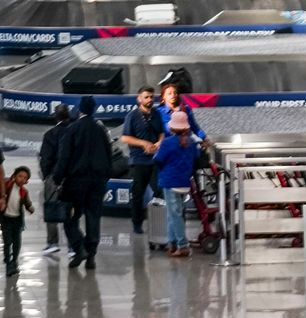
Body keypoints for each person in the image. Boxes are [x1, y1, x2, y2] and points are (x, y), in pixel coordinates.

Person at [49, 96, 112, 269]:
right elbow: (109, 154)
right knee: (93, 217)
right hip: (97, 182)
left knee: (69, 218)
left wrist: (57, 178)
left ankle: (79, 248)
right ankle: (91, 255)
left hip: (75, 182)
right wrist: (105, 176)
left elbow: (64, 156)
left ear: (80, 109)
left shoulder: (72, 129)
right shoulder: (101, 130)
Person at [120, 87, 167, 248]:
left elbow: (161, 132)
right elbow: (125, 137)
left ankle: (158, 223)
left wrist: (159, 143)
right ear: (139, 99)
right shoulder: (132, 116)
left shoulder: (156, 115)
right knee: (138, 193)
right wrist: (143, 144)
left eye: (151, 97)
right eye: (146, 97)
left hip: (154, 160)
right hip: (138, 161)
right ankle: (137, 223)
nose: (149, 100)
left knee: (159, 191)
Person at [151, 111, 199, 259]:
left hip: (170, 182)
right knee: (174, 214)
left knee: (175, 215)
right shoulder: (191, 142)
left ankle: (182, 245)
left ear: (172, 128)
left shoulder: (167, 143)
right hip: (184, 181)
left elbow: (157, 159)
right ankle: (172, 243)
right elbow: (196, 159)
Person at [36, 104, 68, 253]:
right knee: (71, 209)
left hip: (53, 176)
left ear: (55, 117)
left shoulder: (50, 134)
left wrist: (46, 175)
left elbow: (45, 158)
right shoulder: (74, 132)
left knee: (51, 207)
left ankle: (52, 242)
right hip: (72, 176)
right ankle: (73, 245)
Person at [1, 166, 32, 278]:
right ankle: (8, 263)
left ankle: (14, 261)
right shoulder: (7, 186)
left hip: (17, 220)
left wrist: (30, 208)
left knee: (17, 242)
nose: (22, 179)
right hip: (6, 219)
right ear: (14, 176)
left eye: (25, 178)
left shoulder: (24, 191)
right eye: (20, 176)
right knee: (7, 241)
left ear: (27, 181)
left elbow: (27, 203)